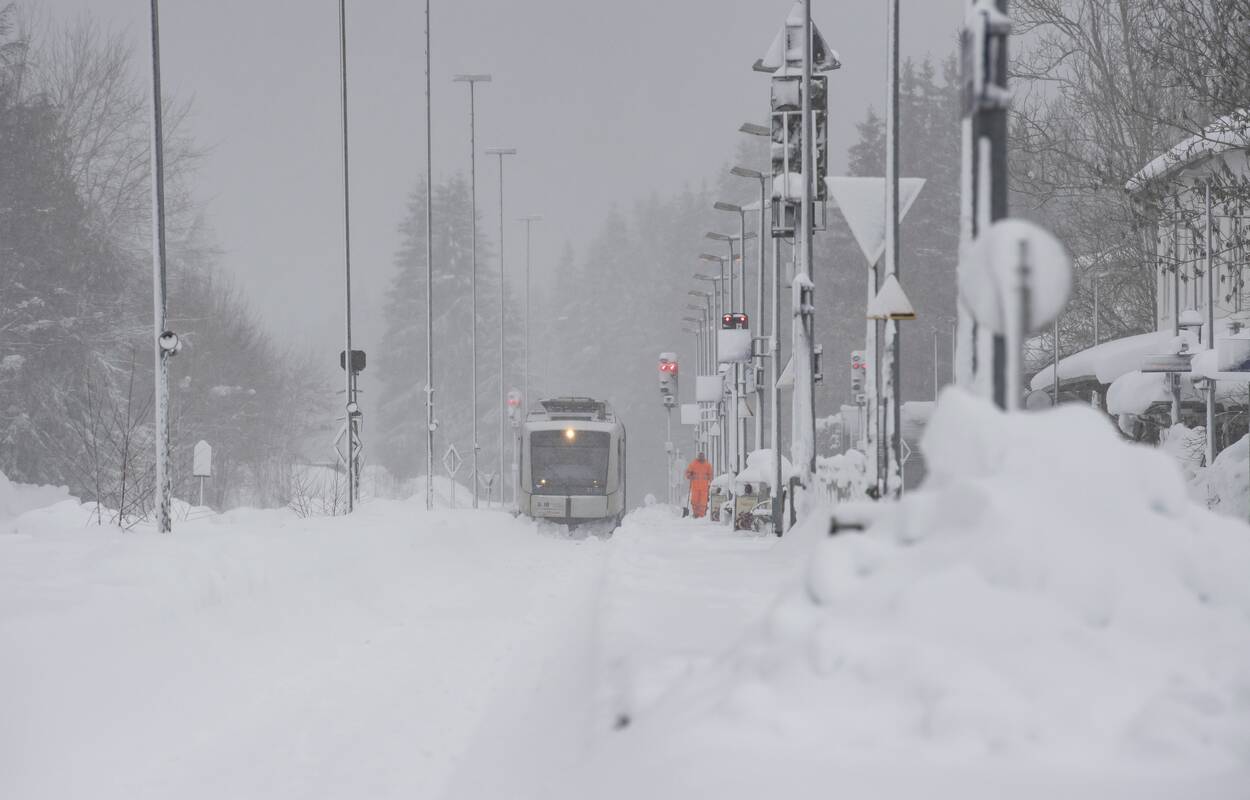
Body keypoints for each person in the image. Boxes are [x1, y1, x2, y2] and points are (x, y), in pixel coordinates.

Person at [685, 452, 713, 519]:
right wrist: (689, 475)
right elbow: (687, 473)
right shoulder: (693, 464)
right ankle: (696, 514)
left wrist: (710, 483)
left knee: (703, 502)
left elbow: (710, 475)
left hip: (704, 487)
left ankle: (702, 515)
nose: (701, 458)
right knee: (695, 501)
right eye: (700, 456)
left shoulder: (707, 465)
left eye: (702, 456)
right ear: (698, 457)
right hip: (695, 487)